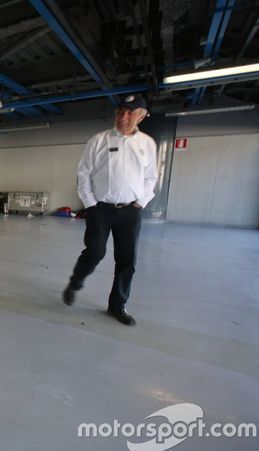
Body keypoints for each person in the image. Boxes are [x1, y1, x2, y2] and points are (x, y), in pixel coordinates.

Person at [62, 94, 158, 325]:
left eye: (130, 112)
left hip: (130, 212)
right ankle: (75, 282)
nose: (123, 117)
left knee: (127, 260)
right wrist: (90, 204)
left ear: (141, 116)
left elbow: (151, 177)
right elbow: (83, 172)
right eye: (120, 111)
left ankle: (118, 305)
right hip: (101, 209)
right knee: (95, 251)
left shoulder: (147, 144)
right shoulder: (99, 140)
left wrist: (140, 203)